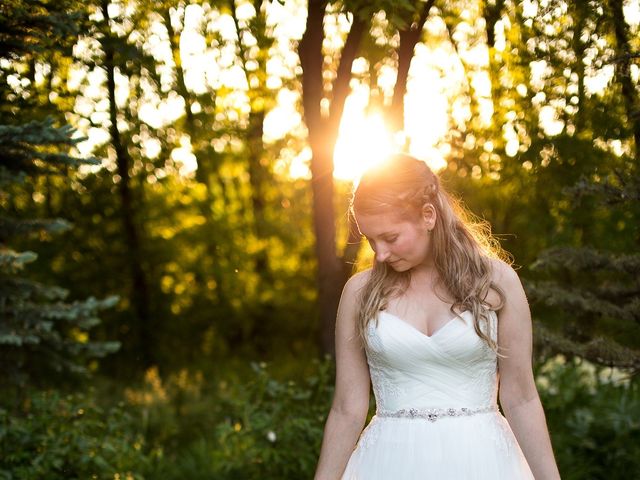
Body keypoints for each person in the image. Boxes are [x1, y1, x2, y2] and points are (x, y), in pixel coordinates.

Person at [314, 154, 560, 479]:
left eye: (390, 238)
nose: (380, 253)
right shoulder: (359, 294)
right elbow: (347, 408)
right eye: (370, 240)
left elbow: (521, 397)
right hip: (388, 464)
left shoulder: (497, 283)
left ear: (427, 216)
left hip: (484, 461)